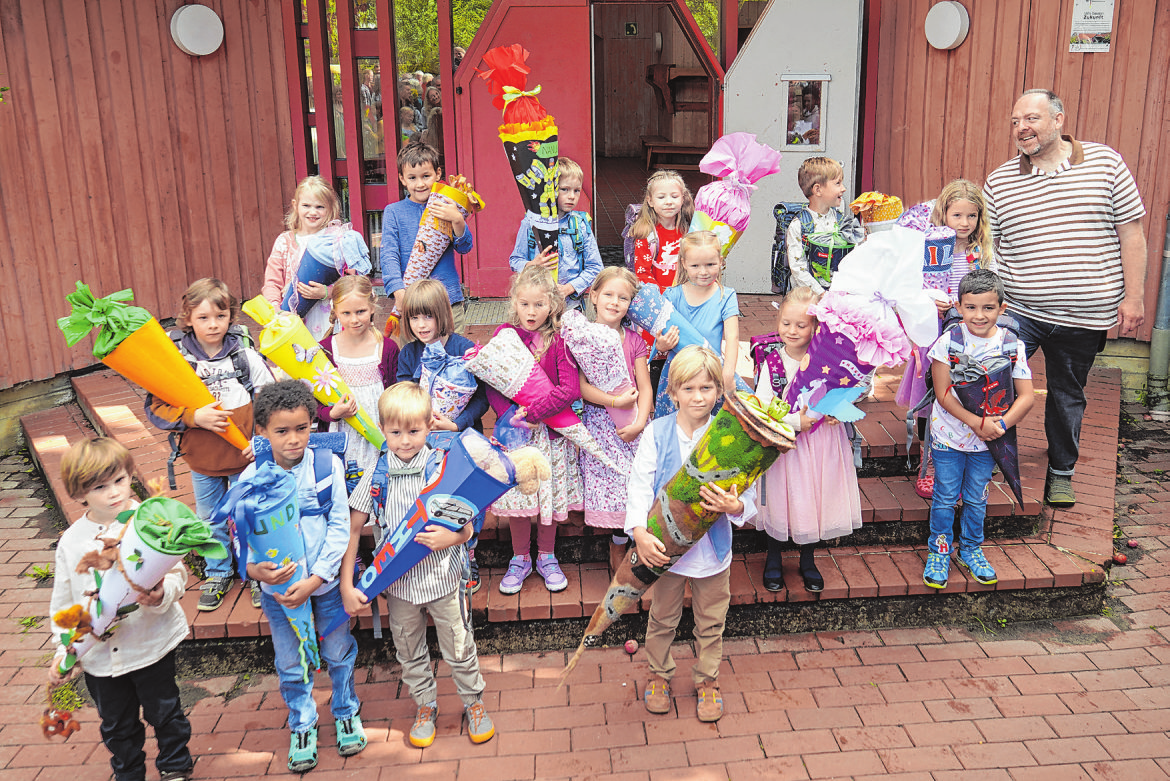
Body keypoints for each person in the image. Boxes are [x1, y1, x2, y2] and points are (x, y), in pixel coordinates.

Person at [983, 88, 1147, 507]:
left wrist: (1134, 297)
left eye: (1031, 118)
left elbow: (1132, 234)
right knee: (993, 380)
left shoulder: (1105, 163)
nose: (1021, 128)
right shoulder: (1000, 181)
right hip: (1020, 310)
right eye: (1015, 121)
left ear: (1058, 120)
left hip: (1084, 316)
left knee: (1066, 394)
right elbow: (988, 248)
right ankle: (991, 457)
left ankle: (1061, 471)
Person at [341, 383, 495, 749]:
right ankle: (425, 705)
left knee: (459, 645)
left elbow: (468, 526)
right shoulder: (377, 474)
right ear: (382, 429)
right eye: (395, 432)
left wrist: (452, 538)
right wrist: (348, 585)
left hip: (443, 580)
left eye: (414, 431)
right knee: (409, 649)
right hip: (398, 588)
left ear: (429, 426)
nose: (405, 441)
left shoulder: (443, 470)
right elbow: (352, 529)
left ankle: (473, 701)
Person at [49, 439, 195, 781]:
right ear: (80, 492)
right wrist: (64, 649)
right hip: (100, 656)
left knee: (165, 710)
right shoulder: (72, 542)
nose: (114, 492)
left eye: (119, 480)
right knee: (116, 723)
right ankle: (128, 772)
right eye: (100, 487)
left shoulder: (148, 522)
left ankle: (175, 764)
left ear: (130, 475)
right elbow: (64, 601)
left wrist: (162, 593)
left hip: (150, 643)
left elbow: (177, 572)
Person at [627, 346, 756, 724]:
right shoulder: (657, 433)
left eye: (706, 388)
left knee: (711, 621)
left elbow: (748, 495)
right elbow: (639, 485)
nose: (698, 397)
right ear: (672, 392)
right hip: (665, 551)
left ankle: (707, 679)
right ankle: (658, 674)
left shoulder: (728, 437)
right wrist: (639, 531)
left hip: (712, 552)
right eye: (689, 389)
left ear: (719, 390)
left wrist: (736, 506)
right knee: (662, 617)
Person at [244, 381, 365, 772]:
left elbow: (340, 526)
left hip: (324, 585)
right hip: (279, 593)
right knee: (290, 660)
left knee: (337, 650)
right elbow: (242, 533)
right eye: (281, 431)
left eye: (302, 428)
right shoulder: (251, 476)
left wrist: (317, 577)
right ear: (262, 431)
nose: (293, 439)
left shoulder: (327, 467)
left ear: (313, 423)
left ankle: (345, 709)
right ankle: (302, 721)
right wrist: (253, 569)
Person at [144, 278, 273, 611]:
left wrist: (261, 439)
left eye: (220, 316)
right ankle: (219, 572)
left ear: (231, 316)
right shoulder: (178, 361)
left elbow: (268, 398)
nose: (213, 324)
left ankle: (256, 572)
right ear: (188, 318)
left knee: (250, 514)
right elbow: (156, 407)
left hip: (244, 457)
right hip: (203, 460)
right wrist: (193, 416)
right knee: (210, 519)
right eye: (203, 317)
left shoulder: (244, 355)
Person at [922, 270, 1034, 589]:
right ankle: (939, 550)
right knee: (945, 496)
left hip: (988, 442)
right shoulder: (949, 342)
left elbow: (1027, 396)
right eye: (970, 307)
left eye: (988, 307)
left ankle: (971, 549)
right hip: (949, 438)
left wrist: (1001, 426)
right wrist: (975, 422)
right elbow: (943, 393)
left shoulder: (1011, 345)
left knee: (976, 497)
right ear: (958, 306)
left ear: (1002, 308)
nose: (979, 315)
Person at [751, 287, 861, 592]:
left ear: (816, 327)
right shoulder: (773, 362)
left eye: (801, 325)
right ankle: (774, 557)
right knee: (780, 498)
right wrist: (795, 421)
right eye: (786, 323)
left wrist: (837, 411)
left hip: (821, 444)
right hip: (786, 446)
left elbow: (850, 390)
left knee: (814, 496)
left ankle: (808, 558)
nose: (792, 330)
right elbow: (762, 409)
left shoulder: (830, 360)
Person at [900, 180, 999, 498]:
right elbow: (910, 285)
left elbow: (992, 289)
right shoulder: (930, 246)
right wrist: (929, 299)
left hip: (970, 336)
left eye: (972, 216)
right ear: (943, 213)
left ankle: (969, 454)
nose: (965, 223)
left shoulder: (980, 252)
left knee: (968, 395)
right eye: (957, 215)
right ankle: (929, 460)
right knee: (932, 397)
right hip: (935, 334)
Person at [487, 266, 582, 594]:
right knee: (520, 493)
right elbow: (491, 380)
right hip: (516, 432)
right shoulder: (505, 336)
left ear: (552, 304)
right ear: (514, 302)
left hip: (549, 433)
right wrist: (508, 415)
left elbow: (569, 389)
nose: (531, 312)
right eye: (524, 304)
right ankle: (520, 557)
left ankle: (546, 555)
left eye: (539, 305)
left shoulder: (559, 341)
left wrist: (535, 413)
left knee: (546, 493)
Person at [395, 278, 490, 590]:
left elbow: (482, 398)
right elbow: (402, 395)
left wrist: (457, 423)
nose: (422, 325)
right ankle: (436, 554)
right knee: (431, 495)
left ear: (443, 314)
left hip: (462, 440)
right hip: (423, 444)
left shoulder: (463, 349)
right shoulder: (409, 354)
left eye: (428, 316)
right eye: (414, 317)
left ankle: (468, 550)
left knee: (467, 495)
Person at [577, 267, 654, 572]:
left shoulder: (633, 340)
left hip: (632, 423)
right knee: (615, 483)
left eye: (623, 298)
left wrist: (640, 423)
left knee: (638, 482)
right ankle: (618, 541)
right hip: (600, 423)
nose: (614, 302)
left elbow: (645, 386)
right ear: (594, 296)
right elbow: (581, 387)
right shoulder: (583, 338)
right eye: (608, 294)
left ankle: (636, 541)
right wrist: (613, 401)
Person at [317, 275, 399, 490]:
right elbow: (313, 403)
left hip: (378, 434)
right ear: (335, 311)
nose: (354, 319)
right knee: (344, 493)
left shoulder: (387, 348)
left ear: (372, 307)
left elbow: (397, 396)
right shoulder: (325, 350)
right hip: (341, 435)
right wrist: (332, 413)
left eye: (360, 311)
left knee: (380, 489)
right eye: (346, 313)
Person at [382, 142, 474, 333]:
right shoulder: (394, 212)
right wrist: (397, 290)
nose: (420, 184)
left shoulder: (446, 206)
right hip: (412, 303)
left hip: (447, 299)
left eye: (426, 176)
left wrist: (457, 219)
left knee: (453, 348)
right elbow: (389, 254)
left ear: (438, 174)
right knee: (414, 350)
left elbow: (464, 247)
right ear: (402, 179)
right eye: (412, 178)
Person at [655, 231, 740, 410]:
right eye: (695, 265)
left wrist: (728, 373)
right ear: (684, 263)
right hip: (679, 376)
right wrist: (662, 345)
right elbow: (660, 340)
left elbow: (733, 337)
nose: (703, 272)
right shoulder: (672, 296)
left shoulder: (726, 296)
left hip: (710, 374)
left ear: (721, 261)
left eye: (710, 264)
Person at [508, 157, 603, 311]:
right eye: (564, 189)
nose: (572, 196)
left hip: (571, 306)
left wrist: (570, 288)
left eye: (576, 190)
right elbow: (515, 260)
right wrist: (532, 265)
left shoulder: (581, 224)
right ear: (549, 189)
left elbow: (596, 267)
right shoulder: (531, 222)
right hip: (537, 308)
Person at [261, 175, 343, 341]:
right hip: (293, 319)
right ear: (295, 205)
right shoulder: (285, 241)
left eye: (320, 207)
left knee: (328, 354)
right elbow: (271, 283)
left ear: (330, 208)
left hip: (328, 317)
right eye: (306, 205)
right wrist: (277, 310)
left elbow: (352, 281)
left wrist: (327, 292)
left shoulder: (337, 241)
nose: (313, 212)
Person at [785, 157, 866, 295]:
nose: (843, 188)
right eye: (837, 183)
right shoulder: (799, 225)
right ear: (818, 189)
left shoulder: (842, 222)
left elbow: (854, 257)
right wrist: (821, 294)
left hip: (837, 293)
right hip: (808, 297)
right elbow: (798, 269)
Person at [624, 169, 695, 292]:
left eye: (674, 196)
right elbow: (643, 273)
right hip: (658, 295)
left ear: (682, 199)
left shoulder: (689, 231)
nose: (668, 202)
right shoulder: (646, 234)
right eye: (661, 197)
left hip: (686, 294)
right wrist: (662, 295)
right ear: (650, 201)